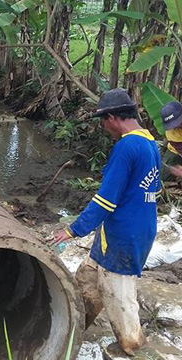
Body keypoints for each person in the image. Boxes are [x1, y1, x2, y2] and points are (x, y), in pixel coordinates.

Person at [51, 88, 161, 356]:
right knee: (86, 283)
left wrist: (72, 230)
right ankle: (67, 334)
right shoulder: (150, 144)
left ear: (113, 117)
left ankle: (135, 349)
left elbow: (105, 200)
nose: (103, 127)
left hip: (123, 237)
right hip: (133, 230)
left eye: (103, 121)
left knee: (120, 301)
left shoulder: (127, 147)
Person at [160, 101, 182, 180]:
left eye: (178, 122)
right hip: (175, 151)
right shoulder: (171, 133)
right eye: (173, 124)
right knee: (163, 176)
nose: (176, 126)